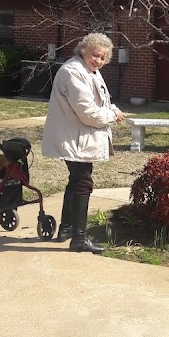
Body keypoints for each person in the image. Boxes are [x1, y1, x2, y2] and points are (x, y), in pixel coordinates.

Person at [41, 32, 125, 254]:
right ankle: (78, 238)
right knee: (83, 183)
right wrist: (112, 115)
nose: (98, 60)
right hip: (75, 139)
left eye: (102, 57)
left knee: (76, 180)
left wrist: (112, 109)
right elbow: (88, 113)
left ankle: (67, 229)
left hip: (77, 137)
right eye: (95, 55)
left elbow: (101, 101)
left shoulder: (90, 71)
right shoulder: (73, 72)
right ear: (83, 50)